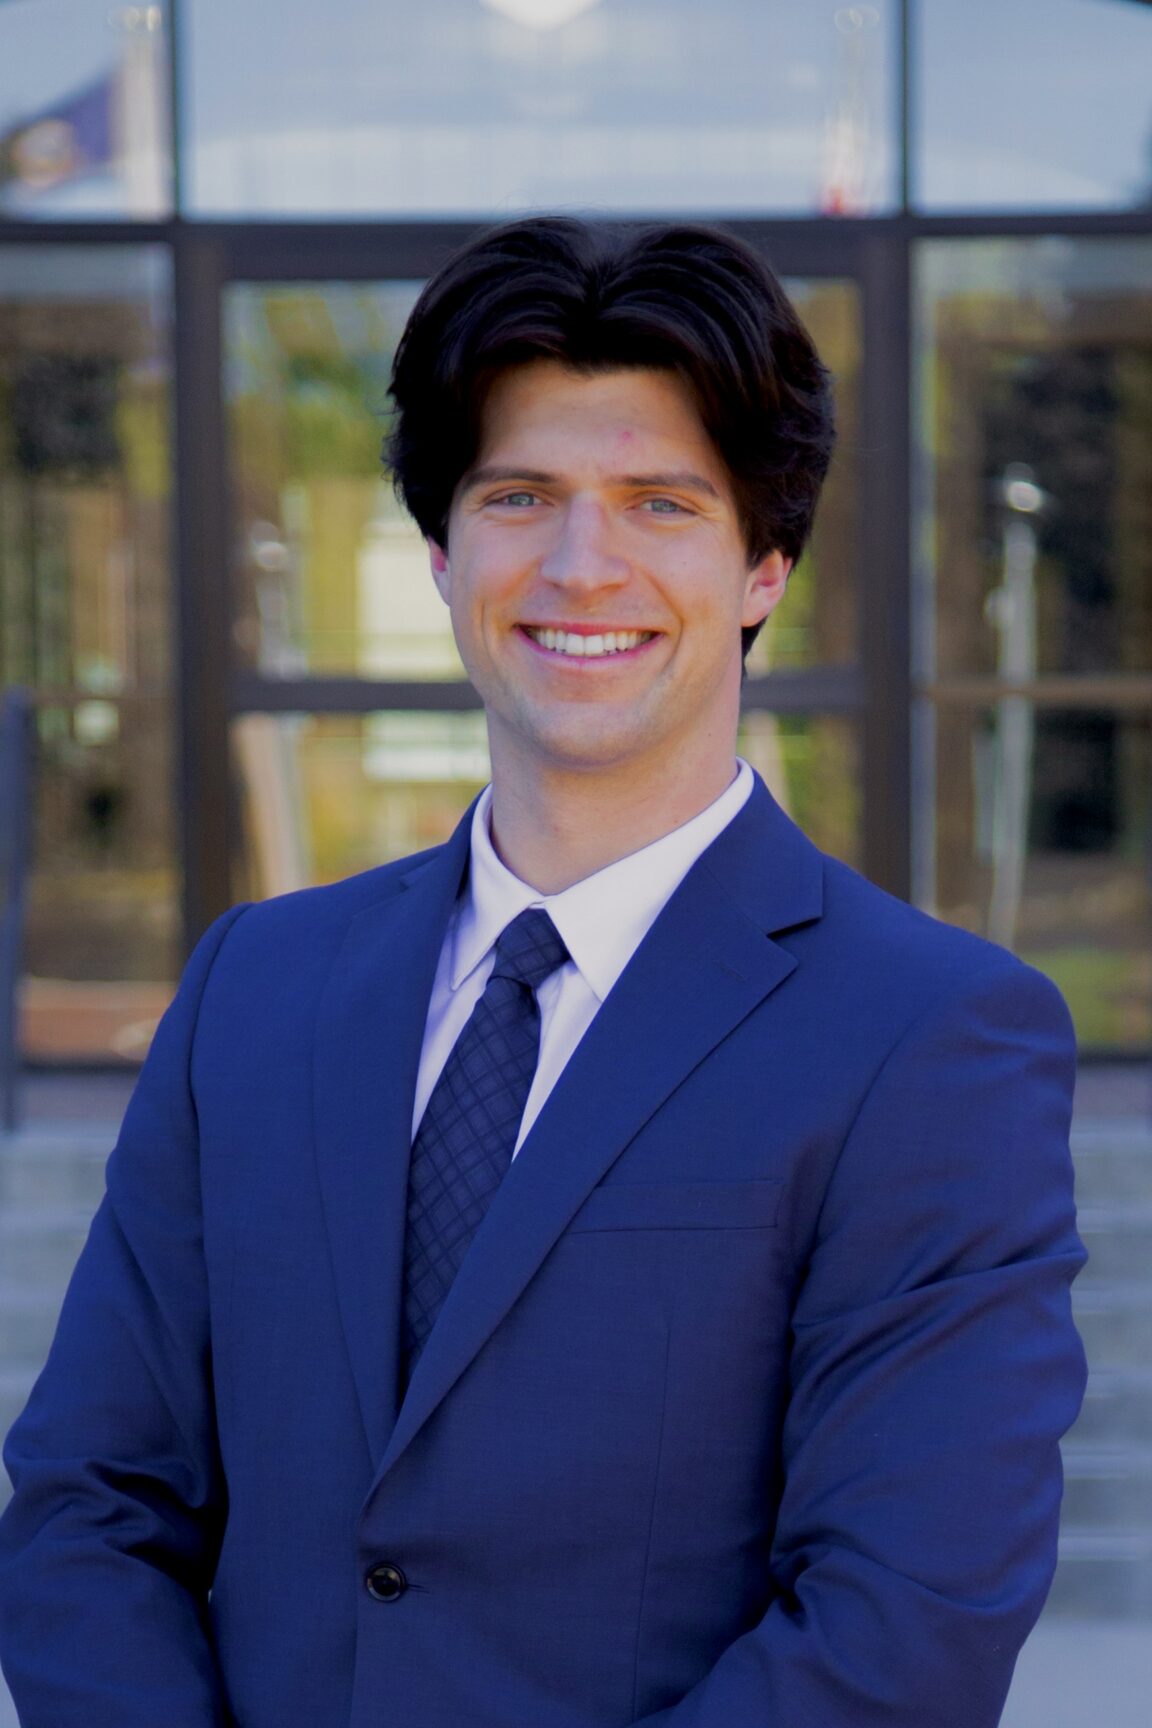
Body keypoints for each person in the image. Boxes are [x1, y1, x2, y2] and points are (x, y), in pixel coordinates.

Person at [0, 217, 1087, 1728]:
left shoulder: (928, 1037)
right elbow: (90, 1502)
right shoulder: (256, 985)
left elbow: (903, 1623)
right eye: (522, 496)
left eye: (661, 503)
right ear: (443, 553)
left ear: (765, 567)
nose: (585, 565)